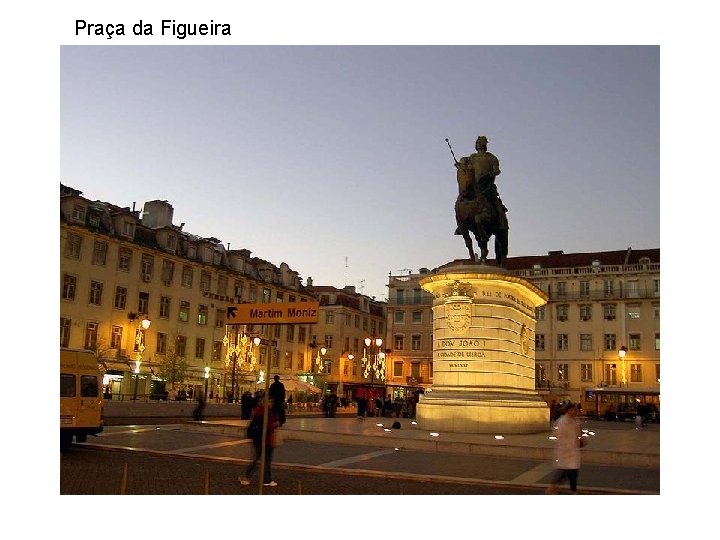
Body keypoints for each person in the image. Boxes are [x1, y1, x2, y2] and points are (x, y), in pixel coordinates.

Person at [240, 398, 280, 487]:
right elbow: (264, 426)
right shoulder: (262, 413)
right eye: (270, 401)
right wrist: (274, 425)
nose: (271, 403)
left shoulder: (266, 412)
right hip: (263, 440)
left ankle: (265, 479)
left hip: (265, 440)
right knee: (262, 460)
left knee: (264, 460)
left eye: (272, 401)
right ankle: (249, 476)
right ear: (265, 403)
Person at [546, 402, 585, 494]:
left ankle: (558, 488)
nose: (576, 412)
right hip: (565, 451)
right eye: (574, 410)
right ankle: (554, 488)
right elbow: (559, 435)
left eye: (576, 410)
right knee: (566, 471)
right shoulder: (563, 422)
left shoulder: (575, 421)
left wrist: (580, 438)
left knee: (570, 471)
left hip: (572, 451)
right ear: (569, 410)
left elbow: (578, 433)